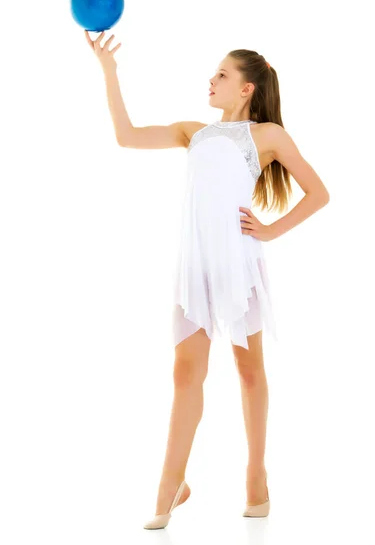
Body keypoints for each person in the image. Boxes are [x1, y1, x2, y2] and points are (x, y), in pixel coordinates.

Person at [85, 30, 330, 529]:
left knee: (249, 371)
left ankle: (256, 476)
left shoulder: (268, 136)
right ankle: (171, 485)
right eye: (213, 72)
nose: (211, 79)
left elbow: (318, 192)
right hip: (194, 266)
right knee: (184, 375)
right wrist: (109, 72)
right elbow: (126, 136)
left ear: (247, 89)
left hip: (237, 263)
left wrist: (269, 230)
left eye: (222, 73)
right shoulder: (191, 131)